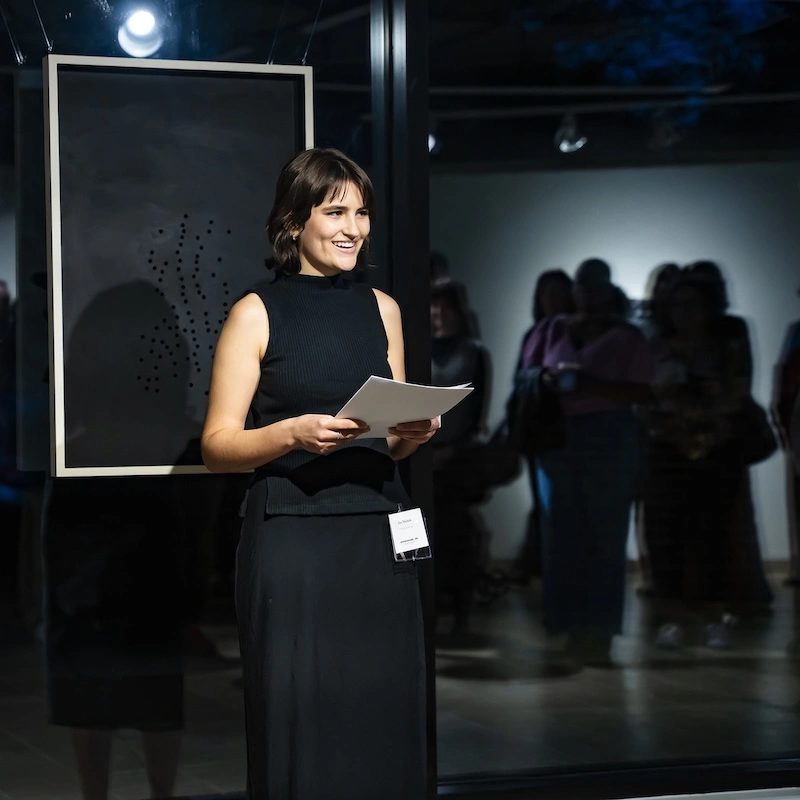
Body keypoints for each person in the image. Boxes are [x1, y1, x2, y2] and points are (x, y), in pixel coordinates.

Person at [201, 148, 439, 800]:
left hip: (379, 532)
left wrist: (410, 433)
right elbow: (218, 446)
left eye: (362, 213)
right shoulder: (257, 311)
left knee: (384, 710)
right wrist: (289, 434)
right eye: (337, 211)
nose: (354, 228)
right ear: (293, 220)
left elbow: (391, 449)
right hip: (293, 538)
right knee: (301, 714)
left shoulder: (381, 308)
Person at [522, 259, 654, 664]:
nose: (588, 293)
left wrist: (590, 384)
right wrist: (547, 379)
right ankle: (565, 624)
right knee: (560, 533)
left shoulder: (629, 335)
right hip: (557, 436)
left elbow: (643, 392)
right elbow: (526, 374)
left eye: (597, 286)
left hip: (610, 436)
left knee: (605, 535)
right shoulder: (551, 328)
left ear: (609, 289)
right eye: (582, 285)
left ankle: (600, 630)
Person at [642, 272, 772, 649]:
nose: (685, 314)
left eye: (693, 306)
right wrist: (672, 430)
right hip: (668, 451)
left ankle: (716, 614)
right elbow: (642, 398)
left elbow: (738, 392)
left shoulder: (728, 343)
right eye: (678, 306)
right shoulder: (657, 344)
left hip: (717, 451)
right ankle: (673, 617)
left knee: (713, 535)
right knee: (667, 537)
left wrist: (707, 434)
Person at [430, 278, 489, 632]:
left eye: (445, 305)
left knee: (456, 533)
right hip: (419, 453)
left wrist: (452, 449)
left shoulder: (473, 352)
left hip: (455, 458)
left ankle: (460, 605)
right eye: (434, 305)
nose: (438, 313)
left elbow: (476, 408)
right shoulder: (417, 347)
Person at [511, 269, 574, 585]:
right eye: (546, 293)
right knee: (545, 504)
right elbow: (521, 380)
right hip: (541, 432)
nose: (553, 299)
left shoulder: (575, 333)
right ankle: (546, 570)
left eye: (559, 292)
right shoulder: (534, 334)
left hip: (572, 433)